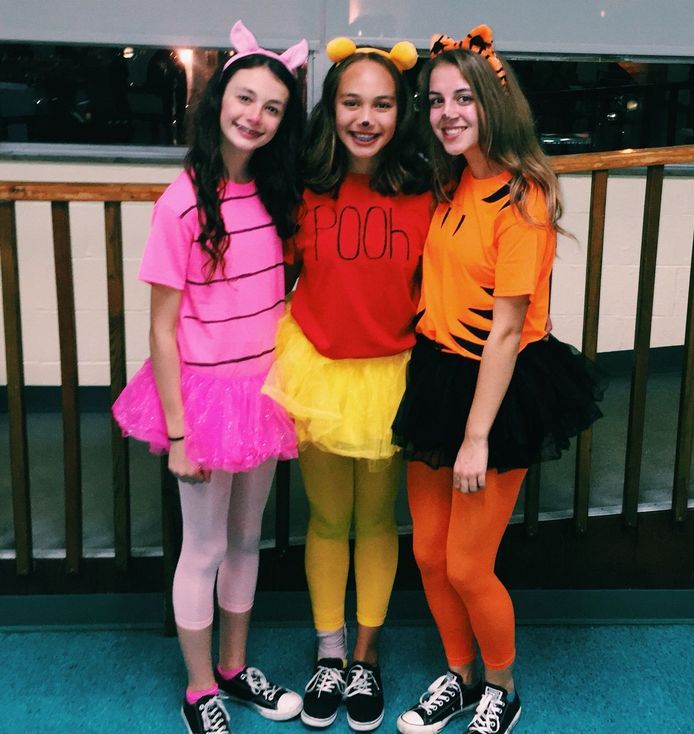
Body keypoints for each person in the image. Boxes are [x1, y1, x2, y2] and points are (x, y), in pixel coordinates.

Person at [392, 25, 607, 734]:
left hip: (499, 388)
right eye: (435, 99)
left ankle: (501, 687)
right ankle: (457, 674)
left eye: (463, 97)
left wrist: (476, 438)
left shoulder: (522, 198)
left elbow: (509, 328)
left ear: (493, 103)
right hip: (438, 375)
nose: (447, 111)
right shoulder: (452, 182)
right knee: (425, 551)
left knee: (465, 565)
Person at [112, 21, 308, 734]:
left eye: (272, 107)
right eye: (244, 97)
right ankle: (201, 691)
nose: (253, 115)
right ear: (219, 96)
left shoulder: (278, 192)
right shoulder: (181, 201)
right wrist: (178, 434)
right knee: (205, 546)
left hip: (262, 393)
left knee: (247, 539)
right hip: (200, 401)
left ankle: (232, 665)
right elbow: (162, 329)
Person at [262, 36, 433, 732]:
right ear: (330, 109)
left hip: (391, 373)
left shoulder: (426, 189)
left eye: (381, 104)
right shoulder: (303, 187)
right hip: (318, 370)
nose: (365, 117)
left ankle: (365, 655)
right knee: (328, 519)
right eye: (351, 102)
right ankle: (328, 651)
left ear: (401, 113)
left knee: (375, 518)